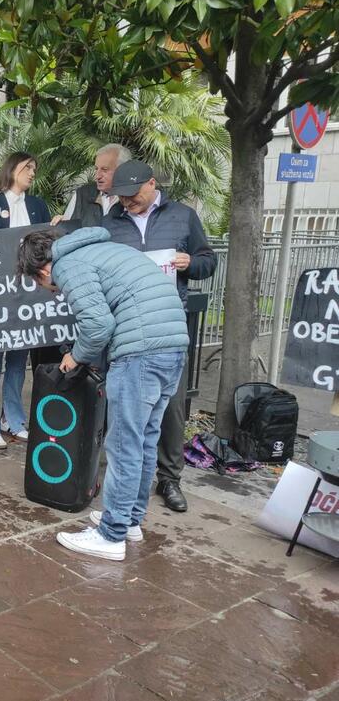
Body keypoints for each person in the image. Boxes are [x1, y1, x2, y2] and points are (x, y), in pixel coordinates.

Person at [17, 227, 188, 561]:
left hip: (140, 352)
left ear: (42, 270)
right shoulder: (101, 249)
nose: (50, 291)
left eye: (41, 284)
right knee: (144, 439)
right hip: (173, 345)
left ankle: (111, 535)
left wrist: (75, 355)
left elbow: (97, 324)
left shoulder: (67, 265)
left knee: (124, 443)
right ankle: (130, 520)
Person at [101, 159, 217, 513]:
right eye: (120, 197)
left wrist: (189, 263)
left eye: (132, 195)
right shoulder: (112, 223)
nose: (126, 202)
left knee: (169, 409)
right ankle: (124, 486)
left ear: (152, 185)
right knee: (127, 410)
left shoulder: (183, 216)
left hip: (169, 327)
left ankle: (169, 478)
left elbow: (208, 261)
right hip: (127, 327)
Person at [0, 151, 51, 449]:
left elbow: (44, 242)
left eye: (34, 168)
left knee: (19, 360)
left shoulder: (37, 204)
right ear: (12, 168)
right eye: (27, 167)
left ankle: (13, 420)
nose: (32, 173)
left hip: (29, 294)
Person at [51, 143, 131, 227]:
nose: (97, 176)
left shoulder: (133, 197)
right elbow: (68, 231)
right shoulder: (82, 194)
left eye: (105, 170)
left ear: (123, 169)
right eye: (96, 169)